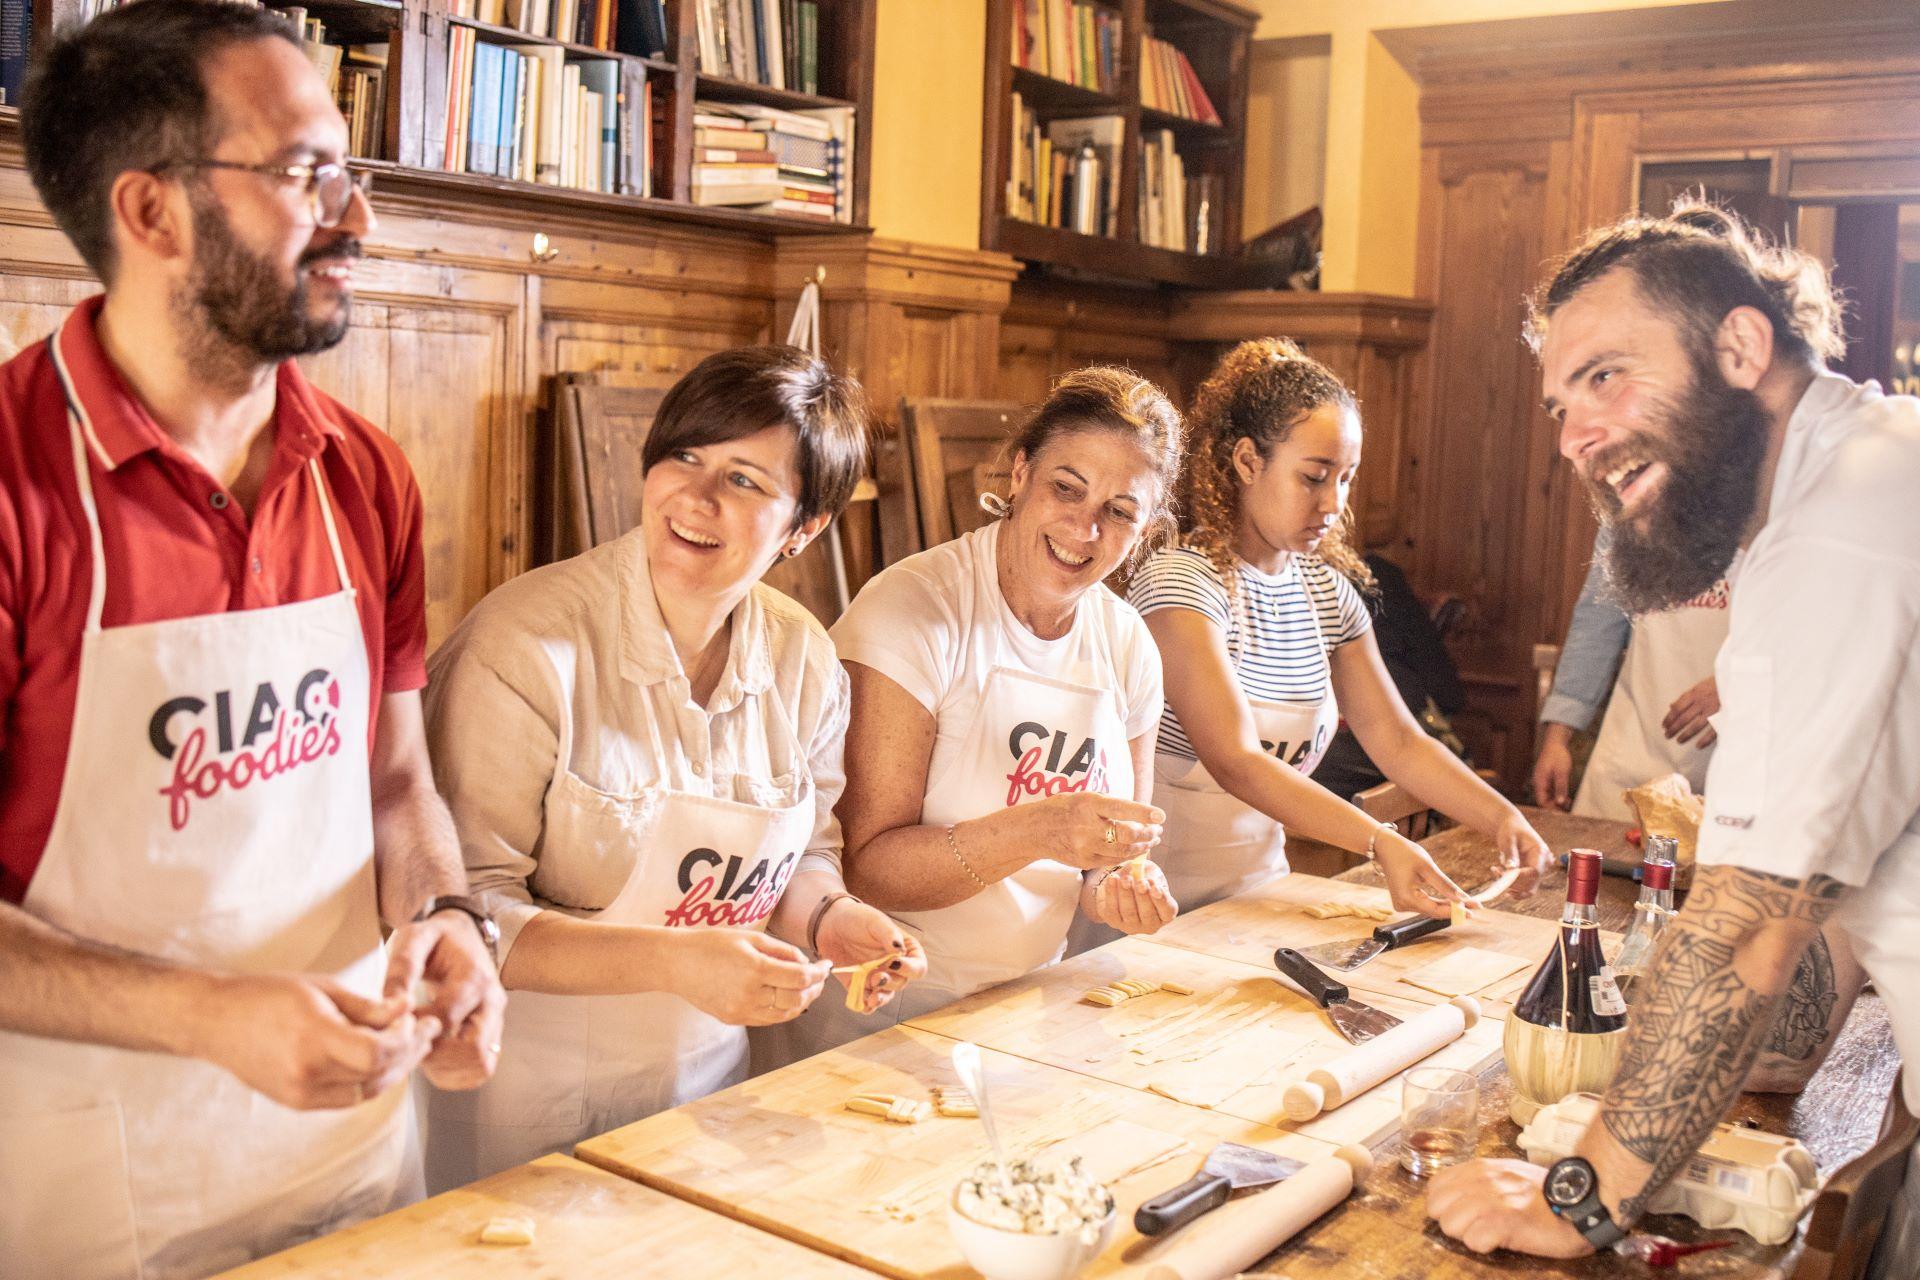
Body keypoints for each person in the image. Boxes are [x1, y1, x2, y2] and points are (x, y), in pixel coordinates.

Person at [0, 4, 504, 1275]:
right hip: (84, 1189)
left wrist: (445, 914)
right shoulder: (15, 482)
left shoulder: (367, 473)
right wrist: (210, 1013)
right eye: (304, 173)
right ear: (152, 210)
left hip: (351, 1155)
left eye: (352, 169)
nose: (360, 217)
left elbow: (394, 779)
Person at [1428, 204, 1907, 1277]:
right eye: (1561, 401)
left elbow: (1749, 930)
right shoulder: (1870, 468)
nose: (1573, 436)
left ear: (1740, 347)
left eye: (1607, 375)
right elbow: (1806, 926)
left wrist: (1578, 1191)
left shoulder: (1837, 530)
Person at [421, 346, 925, 1189]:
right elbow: (466, 913)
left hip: (708, 1092)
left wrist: (832, 920)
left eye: (745, 480)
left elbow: (802, 854)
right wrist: (678, 961)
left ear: (805, 528)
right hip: (521, 1101)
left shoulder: (803, 657)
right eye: (682, 457)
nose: (694, 497)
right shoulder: (523, 646)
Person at [785, 366, 1180, 1052]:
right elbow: (866, 864)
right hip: (880, 1012)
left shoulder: (1127, 644)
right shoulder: (912, 612)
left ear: (1143, 533)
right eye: (1067, 488)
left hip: (1027, 1003)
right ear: (1020, 473)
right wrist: (1039, 830)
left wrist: (1121, 882)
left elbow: (1109, 861)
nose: (1085, 528)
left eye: (1119, 512)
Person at [1129, 339, 1552, 914]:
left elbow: (1400, 743)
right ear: (1248, 461)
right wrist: (1378, 841)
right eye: (1314, 476)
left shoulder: (1327, 592)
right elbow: (1237, 761)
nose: (1333, 502)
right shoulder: (1182, 585)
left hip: (1260, 898)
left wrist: (1503, 818)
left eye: (1346, 478)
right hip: (1152, 904)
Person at [1530, 526, 1729, 819]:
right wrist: (1557, 738)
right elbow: (1596, 629)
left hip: (1729, 765)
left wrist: (1733, 682)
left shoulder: (1777, 508)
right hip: (1630, 754)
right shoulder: (1629, 510)